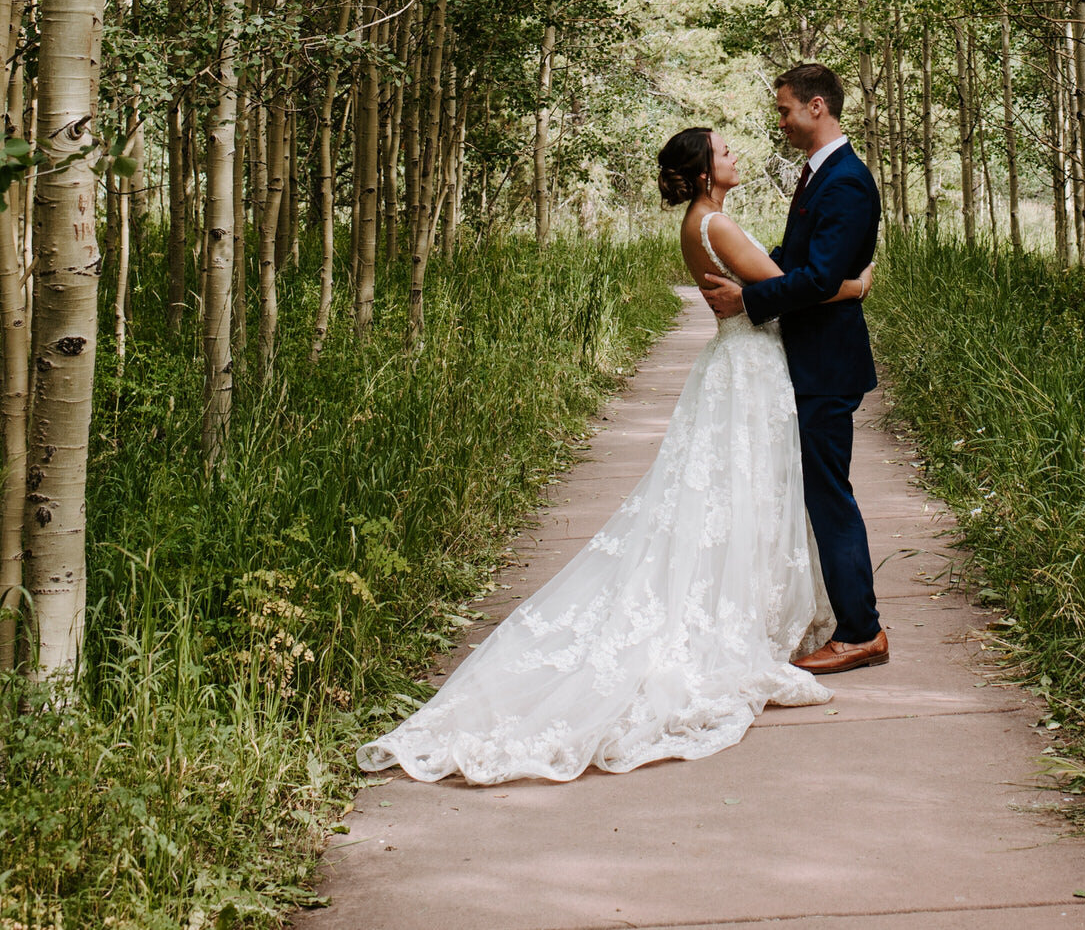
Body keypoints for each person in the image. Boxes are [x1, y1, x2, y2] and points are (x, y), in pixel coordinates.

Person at [356, 124, 870, 784]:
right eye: (724, 150)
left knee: (736, 493)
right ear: (704, 169)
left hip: (738, 364)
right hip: (749, 368)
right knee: (747, 489)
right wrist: (854, 285)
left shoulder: (703, 221)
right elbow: (792, 288)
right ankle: (735, 620)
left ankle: (753, 605)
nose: (734, 154)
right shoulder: (716, 224)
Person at [699, 62, 888, 676]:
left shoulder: (847, 181)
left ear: (816, 107)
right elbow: (793, 260)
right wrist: (752, 273)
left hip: (827, 365)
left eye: (783, 110)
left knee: (830, 496)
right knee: (817, 492)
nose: (778, 121)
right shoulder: (816, 176)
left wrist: (747, 301)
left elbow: (822, 277)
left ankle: (862, 632)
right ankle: (850, 622)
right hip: (805, 358)